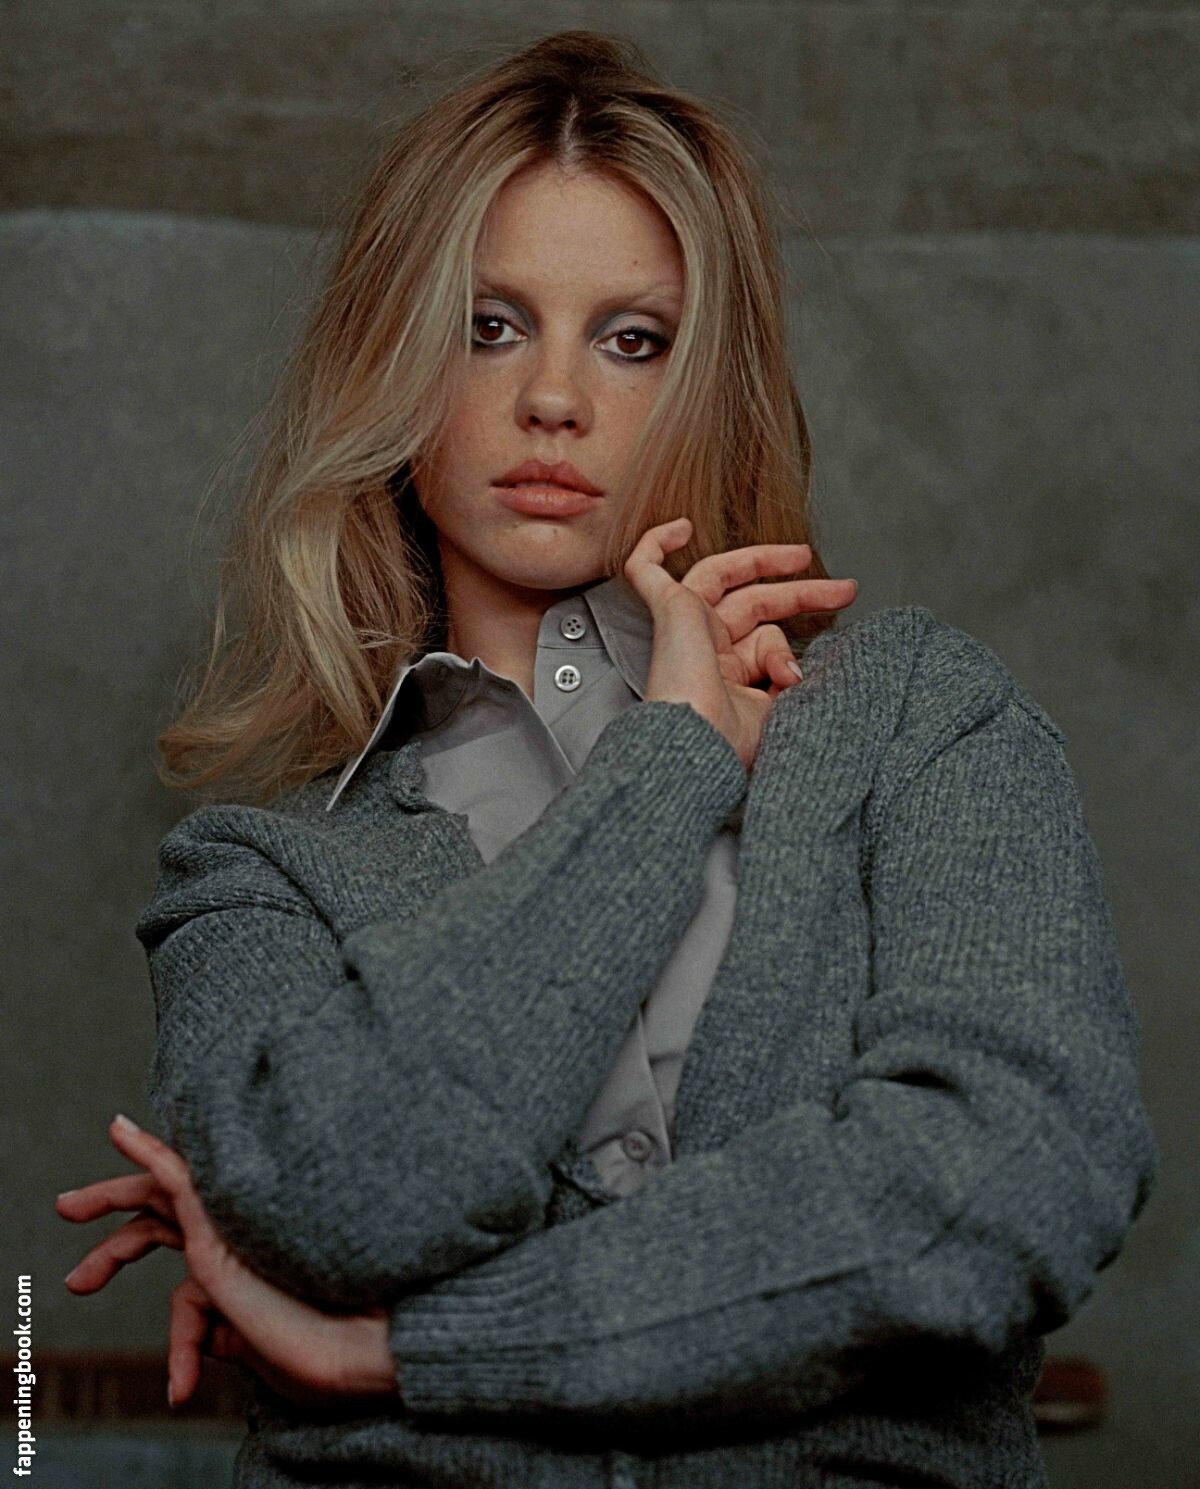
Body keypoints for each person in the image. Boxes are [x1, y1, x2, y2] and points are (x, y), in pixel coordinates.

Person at [55, 28, 1158, 1489]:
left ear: (710, 378)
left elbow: (1006, 1188)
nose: (555, 399)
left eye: (632, 338)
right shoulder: (257, 869)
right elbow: (336, 1200)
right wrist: (671, 763)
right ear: (392, 358)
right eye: (489, 325)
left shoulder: (915, 721)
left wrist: (411, 1352)